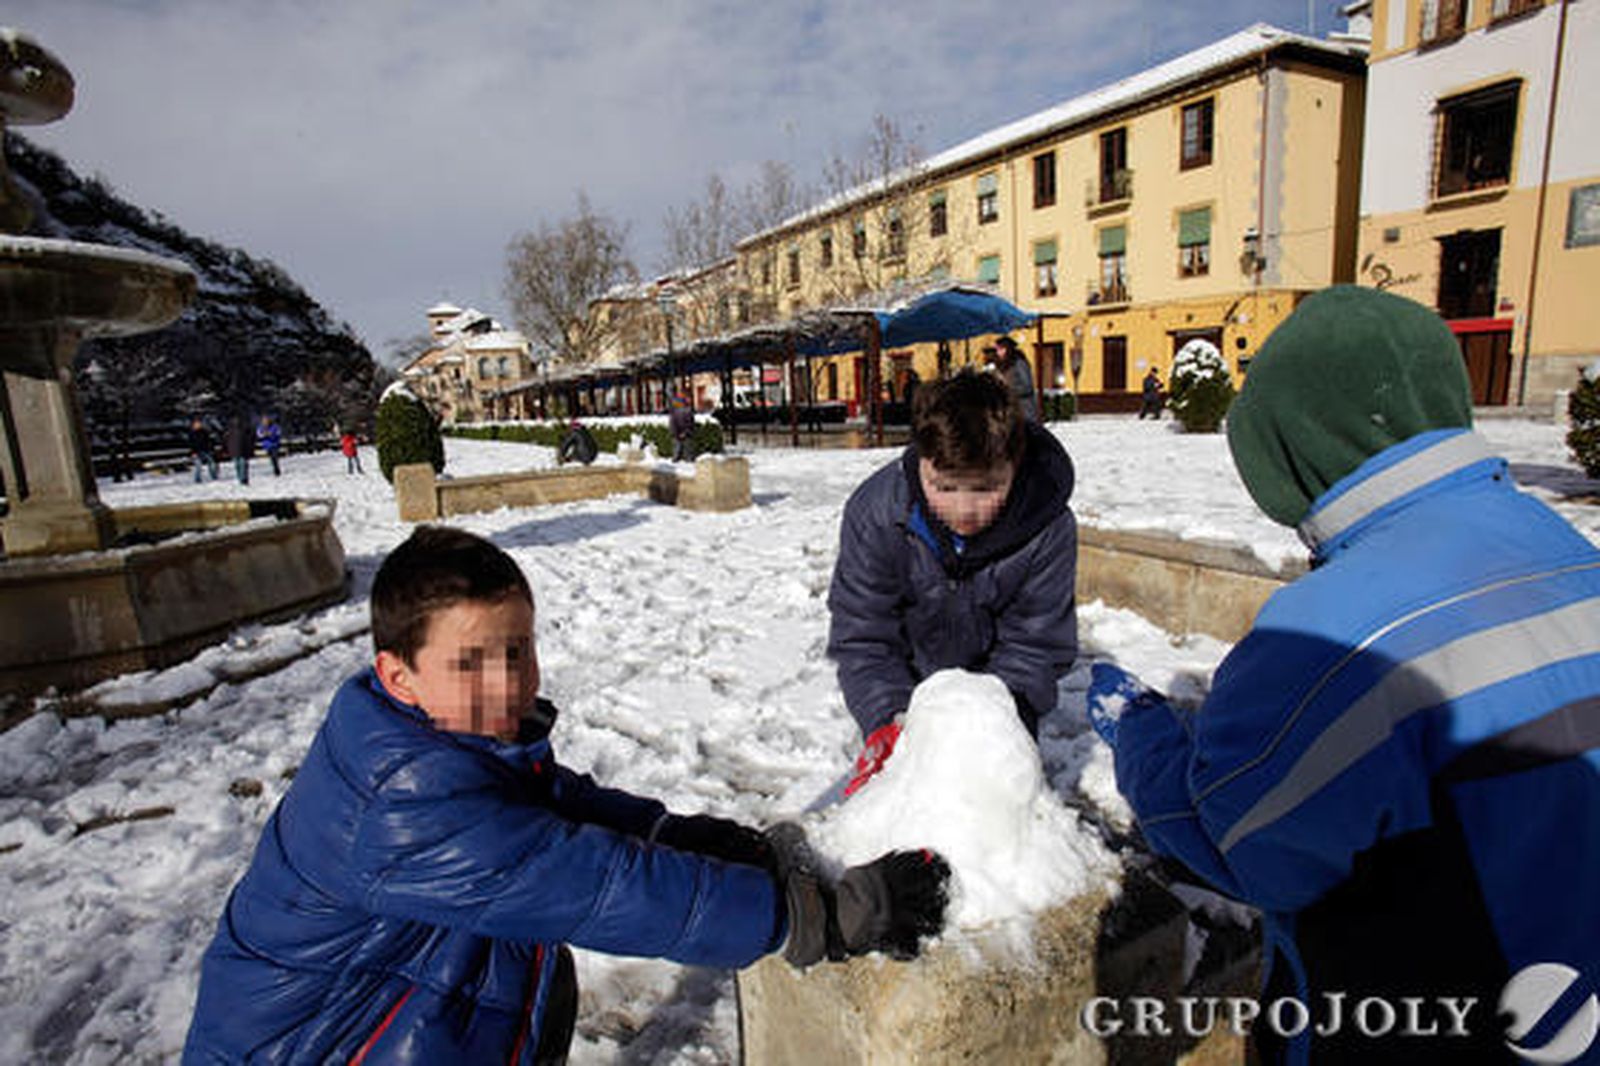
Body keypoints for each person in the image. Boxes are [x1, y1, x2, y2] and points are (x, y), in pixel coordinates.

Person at [184, 526, 950, 1064]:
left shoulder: (427, 739)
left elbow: (562, 814)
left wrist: (710, 843)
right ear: (398, 675)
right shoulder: (400, 803)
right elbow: (595, 885)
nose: (507, 683)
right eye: (471, 663)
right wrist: (825, 919)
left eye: (519, 650)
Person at [1087, 286, 1600, 1063]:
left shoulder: (1332, 636)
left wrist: (1142, 735)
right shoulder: (1561, 545)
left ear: (1284, 451)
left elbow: (1250, 845)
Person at [828, 369, 1078, 795]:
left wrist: (994, 724)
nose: (965, 511)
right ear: (920, 460)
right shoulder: (876, 514)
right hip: (905, 690)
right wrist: (891, 719)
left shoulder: (1047, 526)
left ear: (1014, 464)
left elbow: (1033, 647)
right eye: (943, 487)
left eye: (985, 488)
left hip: (999, 698)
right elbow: (864, 636)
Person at [992, 336, 1039, 423]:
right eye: (997, 349)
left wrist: (1008, 390)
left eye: (1000, 349)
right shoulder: (999, 366)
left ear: (1007, 349)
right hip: (1009, 411)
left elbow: (1027, 387)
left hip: (1024, 410)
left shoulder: (1019, 363)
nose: (998, 352)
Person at [187, 416, 218, 483]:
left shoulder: (204, 432)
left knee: (212, 463)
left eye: (199, 423)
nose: (198, 425)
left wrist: (211, 449)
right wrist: (193, 453)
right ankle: (197, 479)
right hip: (196, 451)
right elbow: (190, 444)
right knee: (198, 465)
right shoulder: (191, 434)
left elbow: (209, 441)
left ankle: (214, 476)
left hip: (206, 450)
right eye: (196, 424)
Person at [669, 394, 696, 463]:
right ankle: (688, 461)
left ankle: (675, 461)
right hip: (686, 433)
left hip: (678, 434)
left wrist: (676, 433)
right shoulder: (688, 411)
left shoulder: (674, 412)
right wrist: (685, 432)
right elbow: (690, 423)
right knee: (687, 449)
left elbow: (673, 424)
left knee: (677, 449)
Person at [225, 414, 252, 484]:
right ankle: (241, 478)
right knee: (238, 465)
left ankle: (243, 478)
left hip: (242, 451)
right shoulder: (230, 432)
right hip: (235, 451)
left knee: (242, 465)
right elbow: (228, 442)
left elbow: (248, 441)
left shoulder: (244, 430)